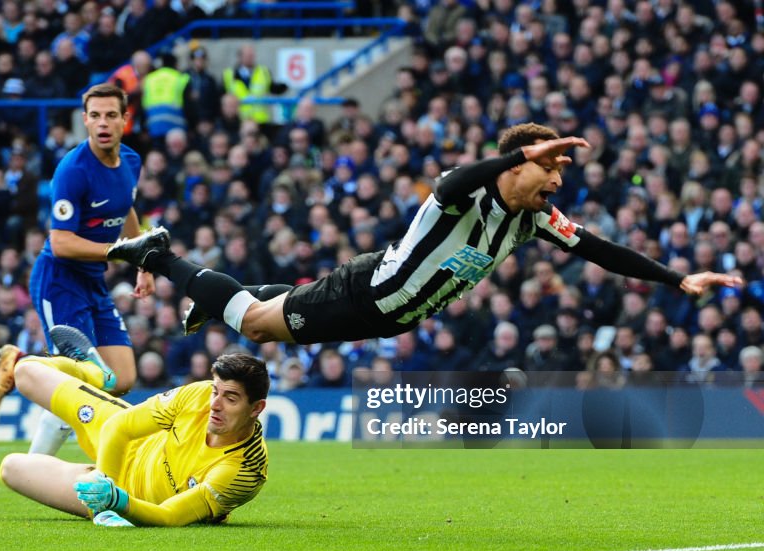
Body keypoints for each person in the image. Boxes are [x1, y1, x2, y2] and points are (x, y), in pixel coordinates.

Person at [109, 123, 742, 345]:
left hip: (392, 317)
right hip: (368, 292)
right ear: (521, 164)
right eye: (549, 166)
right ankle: (159, 254)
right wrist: (522, 155)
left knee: (263, 315)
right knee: (253, 324)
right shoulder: (465, 192)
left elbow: (602, 249)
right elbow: (455, 177)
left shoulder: (534, 220)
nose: (557, 180)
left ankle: (212, 294)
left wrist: (676, 276)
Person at [0, 84, 152, 458]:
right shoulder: (72, 171)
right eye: (95, 116)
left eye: (111, 115)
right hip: (59, 280)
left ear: (125, 120)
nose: (103, 123)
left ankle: (20, 364)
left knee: (121, 378)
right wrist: (122, 252)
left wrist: (143, 263)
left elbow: (126, 209)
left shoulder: (131, 162)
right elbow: (60, 243)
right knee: (76, 385)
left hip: (93, 279)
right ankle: (33, 468)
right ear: (84, 121)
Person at [0, 325, 269, 527]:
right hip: (127, 444)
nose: (215, 404)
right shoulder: (198, 394)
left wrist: (116, 501)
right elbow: (119, 426)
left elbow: (169, 515)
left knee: (11, 468)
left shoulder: (244, 469)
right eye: (215, 392)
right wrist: (104, 496)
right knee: (25, 372)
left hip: (129, 500)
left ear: (256, 409)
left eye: (230, 398)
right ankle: (96, 373)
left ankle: (59, 422)